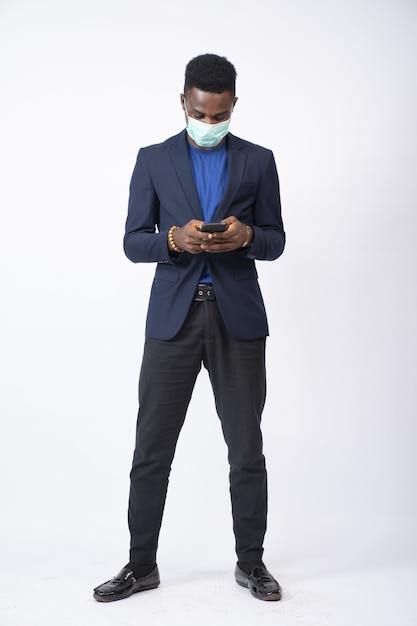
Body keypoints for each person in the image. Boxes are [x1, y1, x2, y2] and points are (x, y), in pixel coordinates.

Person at [93, 53, 285, 603]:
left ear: (233, 107)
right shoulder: (152, 160)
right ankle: (140, 565)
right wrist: (174, 241)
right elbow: (134, 242)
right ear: (184, 102)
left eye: (219, 115)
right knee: (151, 447)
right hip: (173, 319)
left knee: (246, 448)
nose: (209, 123)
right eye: (200, 113)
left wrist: (246, 236)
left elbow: (275, 239)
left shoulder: (258, 161)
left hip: (238, 320)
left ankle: (252, 564)